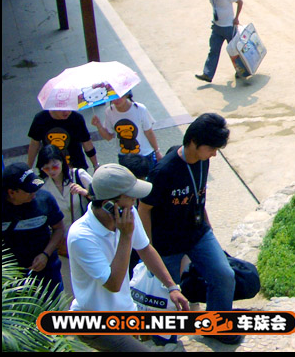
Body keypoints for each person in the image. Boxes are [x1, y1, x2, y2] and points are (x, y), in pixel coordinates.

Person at [138, 113, 238, 343]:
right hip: (167, 244)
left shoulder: (203, 160)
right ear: (194, 142)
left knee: (224, 275)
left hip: (198, 234)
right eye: (211, 148)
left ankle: (217, 327)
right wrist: (148, 249)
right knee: (166, 295)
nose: (214, 154)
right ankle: (165, 341)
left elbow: (198, 196)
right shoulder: (163, 172)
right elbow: (144, 209)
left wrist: (209, 228)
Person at [68, 164, 189, 352]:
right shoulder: (81, 236)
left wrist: (171, 286)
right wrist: (125, 235)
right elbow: (113, 284)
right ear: (109, 204)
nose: (135, 201)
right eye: (130, 196)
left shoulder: (128, 213)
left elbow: (145, 249)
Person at [3, 162, 65, 298]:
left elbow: (59, 229)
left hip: (47, 275)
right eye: (29, 190)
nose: (34, 193)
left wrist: (45, 254)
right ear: (12, 193)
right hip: (11, 280)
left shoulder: (45, 200)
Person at [36, 145, 91, 250]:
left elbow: (102, 198)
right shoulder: (42, 186)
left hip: (87, 233)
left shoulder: (78, 175)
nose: (51, 171)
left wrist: (85, 192)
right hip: (62, 242)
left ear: (62, 161)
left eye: (55, 166)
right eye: (46, 168)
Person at [91, 91, 162, 171]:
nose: (116, 100)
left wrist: (157, 151)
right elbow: (108, 137)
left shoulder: (140, 109)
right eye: (113, 96)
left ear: (127, 95)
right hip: (124, 156)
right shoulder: (109, 111)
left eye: (119, 96)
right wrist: (99, 126)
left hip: (144, 154)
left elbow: (149, 132)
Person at [195, 0, 243, 83]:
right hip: (217, 28)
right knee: (213, 50)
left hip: (229, 27)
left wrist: (236, 18)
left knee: (234, 51)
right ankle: (207, 74)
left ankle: (241, 71)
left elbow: (240, 2)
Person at [28, 108, 98, 171]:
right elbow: (34, 144)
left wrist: (95, 165)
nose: (66, 112)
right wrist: (29, 167)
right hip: (50, 168)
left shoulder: (77, 118)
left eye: (69, 108)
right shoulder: (41, 119)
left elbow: (86, 142)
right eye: (62, 109)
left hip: (75, 166)